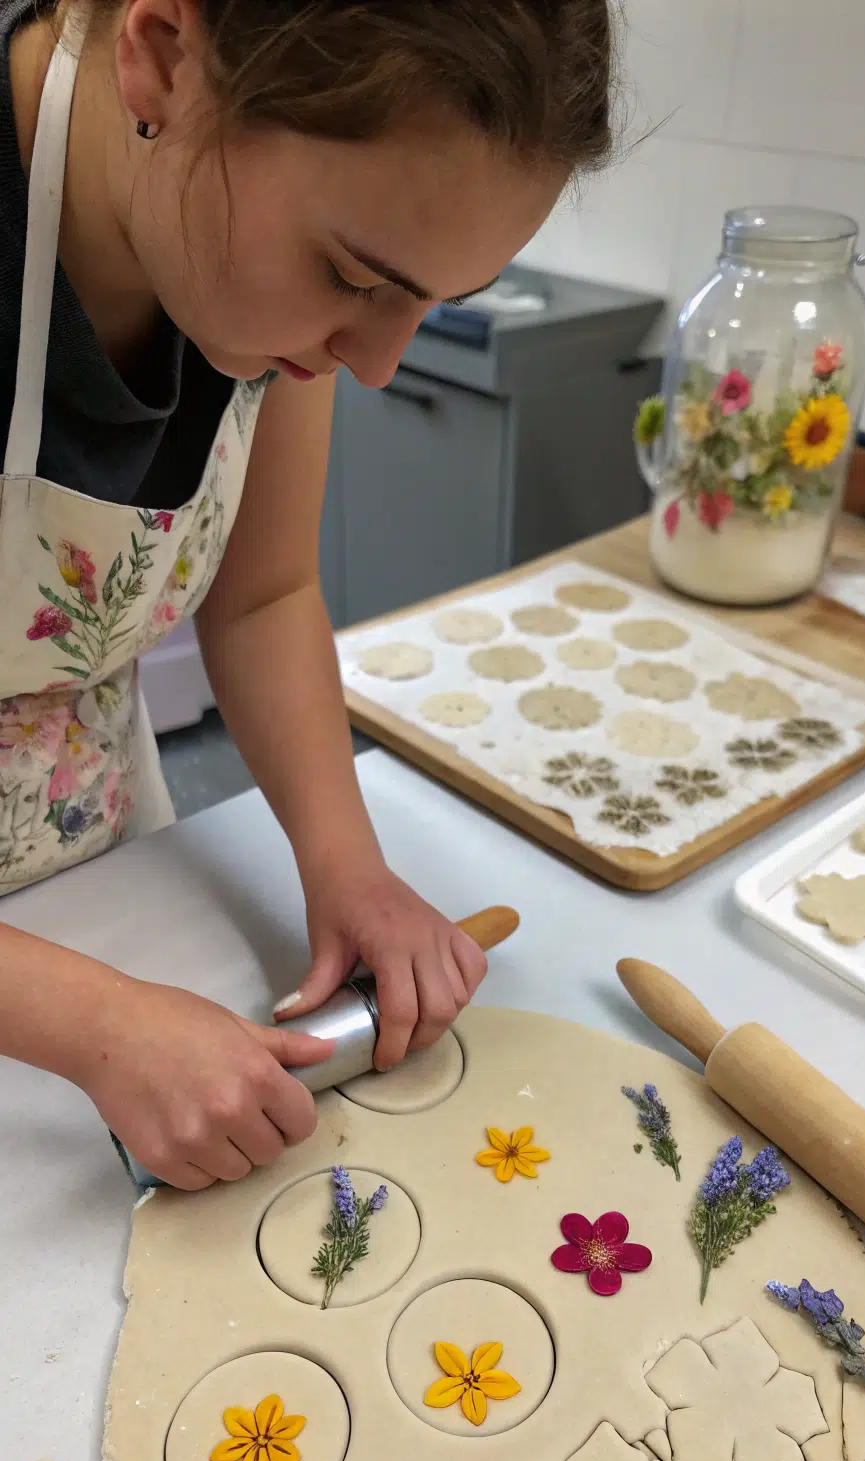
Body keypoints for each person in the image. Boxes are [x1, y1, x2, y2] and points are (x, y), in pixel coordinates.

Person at [0, 0, 614, 1188]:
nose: (378, 362)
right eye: (351, 275)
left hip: (101, 870)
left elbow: (265, 592)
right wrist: (96, 1023)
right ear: (165, 57)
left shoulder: (254, 280)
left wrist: (349, 867)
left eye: (427, 301)